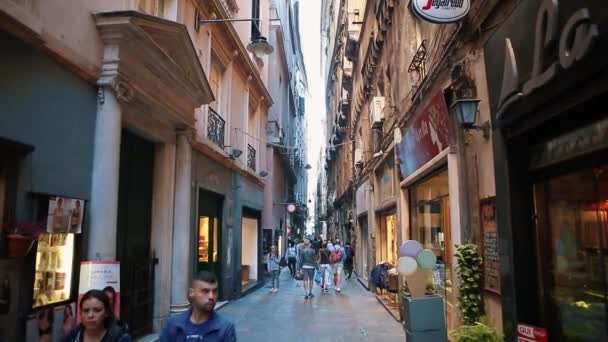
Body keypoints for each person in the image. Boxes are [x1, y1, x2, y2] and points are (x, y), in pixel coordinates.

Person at [160, 271, 236, 341]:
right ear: (191, 293)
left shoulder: (225, 328)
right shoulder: (173, 324)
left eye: (214, 291)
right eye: (205, 291)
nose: (211, 297)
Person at [63, 289, 130, 342]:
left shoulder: (120, 338)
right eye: (86, 310)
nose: (90, 315)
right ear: (80, 313)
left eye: (97, 310)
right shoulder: (74, 335)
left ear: (106, 313)